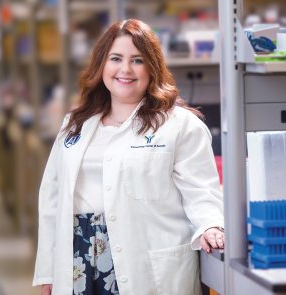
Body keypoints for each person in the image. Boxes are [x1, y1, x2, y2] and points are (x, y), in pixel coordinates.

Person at [32, 19, 225, 295]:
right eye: (115, 58)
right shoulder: (75, 123)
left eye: (137, 60)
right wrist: (48, 272)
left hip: (146, 261)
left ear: (152, 67)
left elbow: (201, 190)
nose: (125, 69)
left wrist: (211, 225)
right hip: (78, 260)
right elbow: (51, 199)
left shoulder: (179, 124)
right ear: (102, 65)